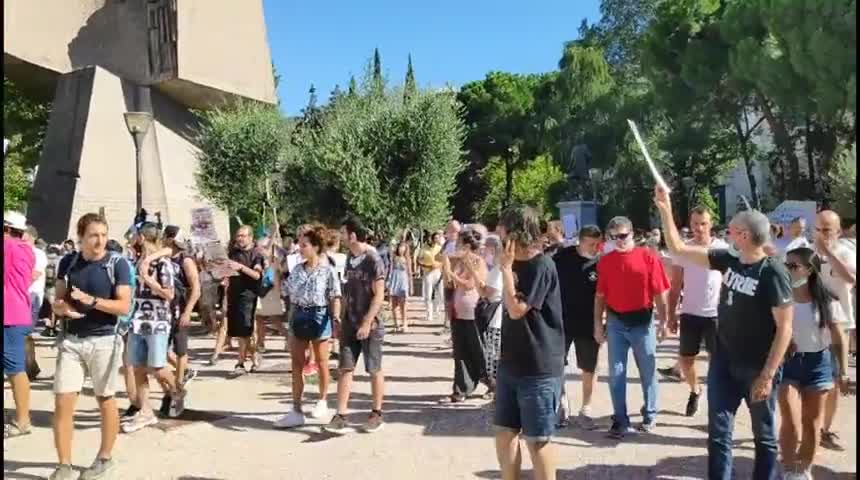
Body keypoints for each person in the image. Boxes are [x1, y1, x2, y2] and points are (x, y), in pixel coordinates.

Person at [654, 186, 793, 480]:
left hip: (758, 367)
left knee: (764, 437)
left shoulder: (773, 272)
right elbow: (679, 250)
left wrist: (767, 375)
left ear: (745, 236)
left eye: (733, 230)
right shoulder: (727, 259)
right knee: (718, 434)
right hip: (724, 363)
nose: (728, 232)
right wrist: (665, 209)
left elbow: (785, 328)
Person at [51, 213, 132, 480]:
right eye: (93, 236)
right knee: (63, 402)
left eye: (104, 235)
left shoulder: (117, 264)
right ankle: (64, 465)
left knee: (105, 399)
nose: (100, 241)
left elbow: (123, 306)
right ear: (81, 238)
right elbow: (58, 300)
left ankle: (104, 458)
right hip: (72, 342)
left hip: (105, 341)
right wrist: (62, 308)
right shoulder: (68, 262)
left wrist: (91, 300)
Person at [493, 205, 564, 480]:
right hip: (511, 362)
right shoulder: (512, 262)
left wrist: (507, 270)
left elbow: (515, 309)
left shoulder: (542, 265)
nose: (498, 233)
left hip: (539, 366)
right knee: (504, 433)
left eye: (503, 228)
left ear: (517, 232)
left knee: (538, 439)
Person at [594, 216, 669, 439]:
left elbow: (660, 292)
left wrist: (665, 321)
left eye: (623, 235)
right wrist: (598, 324)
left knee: (647, 371)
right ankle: (620, 419)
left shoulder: (648, 257)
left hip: (642, 322)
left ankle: (650, 413)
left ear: (632, 233)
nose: (619, 240)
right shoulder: (606, 261)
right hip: (616, 321)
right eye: (614, 236)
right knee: (616, 373)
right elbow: (600, 296)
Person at [779, 247, 850, 479]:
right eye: (785, 265)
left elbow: (839, 338)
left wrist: (842, 371)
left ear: (809, 270)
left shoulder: (826, 301)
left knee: (811, 422)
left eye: (793, 266)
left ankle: (803, 469)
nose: (787, 270)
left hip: (818, 364)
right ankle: (789, 469)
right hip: (788, 363)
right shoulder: (781, 297)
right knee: (789, 419)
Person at [323, 217, 386, 435]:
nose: (339, 237)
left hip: (371, 323)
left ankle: (376, 413)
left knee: (373, 368)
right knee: (345, 367)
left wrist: (368, 322)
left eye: (342, 232)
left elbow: (379, 295)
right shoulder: (351, 257)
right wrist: (340, 318)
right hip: (350, 320)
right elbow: (348, 291)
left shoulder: (373, 259)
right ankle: (340, 415)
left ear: (352, 235)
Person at [274, 225, 342, 428]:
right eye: (299, 244)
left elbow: (335, 295)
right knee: (297, 364)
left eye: (304, 245)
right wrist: (277, 273)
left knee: (322, 361)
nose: (300, 248)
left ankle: (322, 400)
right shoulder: (296, 269)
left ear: (315, 247)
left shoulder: (327, 270)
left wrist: (336, 316)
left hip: (319, 314)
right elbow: (286, 291)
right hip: (298, 314)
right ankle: (296, 409)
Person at [122, 223, 184, 433]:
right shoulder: (138, 260)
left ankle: (177, 389)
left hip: (157, 321)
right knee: (137, 367)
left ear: (141, 236)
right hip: (137, 320)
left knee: (157, 367)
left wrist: (148, 280)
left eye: (134, 235)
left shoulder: (162, 264)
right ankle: (146, 411)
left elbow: (169, 294)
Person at [666, 207, 728, 417]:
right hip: (690, 312)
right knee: (686, 360)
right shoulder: (683, 250)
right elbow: (675, 286)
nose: (699, 228)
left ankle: (717, 403)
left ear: (711, 224)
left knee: (717, 362)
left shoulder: (723, 249)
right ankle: (695, 390)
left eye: (703, 223)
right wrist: (671, 315)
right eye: (695, 223)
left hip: (716, 315)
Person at [141, 225, 201, 416]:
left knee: (180, 349)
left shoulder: (185, 260)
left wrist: (188, 312)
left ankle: (178, 388)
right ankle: (174, 386)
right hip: (161, 313)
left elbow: (196, 287)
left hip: (179, 309)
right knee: (159, 354)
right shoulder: (162, 258)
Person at [813, 210, 856, 451]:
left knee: (833, 382)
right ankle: (811, 426)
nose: (821, 235)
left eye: (827, 230)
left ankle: (824, 430)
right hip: (810, 326)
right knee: (811, 382)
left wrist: (828, 253)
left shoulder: (845, 252)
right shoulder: (805, 252)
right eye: (817, 229)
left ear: (838, 232)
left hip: (840, 327)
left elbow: (851, 279)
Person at [553, 225, 603, 430]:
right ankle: (561, 404)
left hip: (588, 323)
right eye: (590, 244)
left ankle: (586, 408)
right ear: (580, 241)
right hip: (561, 321)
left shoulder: (601, 262)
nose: (594, 248)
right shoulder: (562, 257)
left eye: (597, 244)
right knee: (556, 364)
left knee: (589, 367)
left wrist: (601, 322)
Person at [441, 229, 488, 403]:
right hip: (458, 311)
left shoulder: (478, 262)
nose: (456, 246)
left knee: (477, 351)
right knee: (460, 352)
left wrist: (451, 273)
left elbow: (469, 285)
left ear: (467, 245)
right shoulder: (460, 262)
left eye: (459, 243)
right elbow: (452, 283)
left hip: (472, 312)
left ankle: (492, 382)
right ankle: (460, 389)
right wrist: (447, 273)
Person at [4, 212, 36, 440]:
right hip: (17, 313)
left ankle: (23, 420)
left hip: (9, 315)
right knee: (15, 369)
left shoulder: (8, 247)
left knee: (15, 369)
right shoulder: (25, 250)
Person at [226, 225, 265, 377]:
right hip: (233, 293)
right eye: (238, 236)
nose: (240, 239)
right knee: (239, 331)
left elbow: (256, 275)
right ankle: (255, 357)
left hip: (248, 295)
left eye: (243, 236)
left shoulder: (257, 254)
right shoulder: (233, 253)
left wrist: (241, 267)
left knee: (244, 330)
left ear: (250, 237)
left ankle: (240, 362)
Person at [477, 234, 504, 398]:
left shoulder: (497, 271)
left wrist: (475, 276)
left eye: (485, 248)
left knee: (492, 353)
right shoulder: (497, 269)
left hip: (495, 317)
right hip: (498, 315)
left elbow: (487, 292)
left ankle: (494, 386)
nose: (483, 252)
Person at [23, 225, 48, 330]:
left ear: (30, 236)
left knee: (23, 332)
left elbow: (34, 275)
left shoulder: (38, 254)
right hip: (20, 296)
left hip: (31, 296)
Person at [417, 231, 444, 324]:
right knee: (428, 294)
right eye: (435, 238)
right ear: (432, 239)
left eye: (438, 238)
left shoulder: (440, 248)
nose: (437, 240)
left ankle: (437, 309)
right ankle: (429, 313)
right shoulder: (424, 248)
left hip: (438, 272)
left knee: (439, 293)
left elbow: (444, 260)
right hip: (428, 272)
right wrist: (426, 266)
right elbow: (419, 260)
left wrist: (438, 266)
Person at [388, 241, 413, 333]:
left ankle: (404, 323)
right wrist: (389, 282)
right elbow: (390, 269)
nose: (401, 249)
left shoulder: (407, 259)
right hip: (394, 279)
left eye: (403, 247)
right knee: (394, 304)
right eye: (400, 247)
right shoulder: (394, 257)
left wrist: (411, 286)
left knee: (403, 304)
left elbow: (410, 273)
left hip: (403, 281)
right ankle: (396, 324)